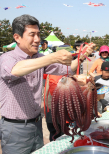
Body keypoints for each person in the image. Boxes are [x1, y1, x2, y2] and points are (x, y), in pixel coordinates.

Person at [0, 14, 95, 154]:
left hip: (37, 123)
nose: (37, 39)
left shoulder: (40, 58)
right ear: (17, 37)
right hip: (15, 128)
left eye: (38, 34)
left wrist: (81, 55)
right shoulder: (7, 58)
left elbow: (67, 69)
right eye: (32, 34)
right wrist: (52, 57)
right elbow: (15, 70)